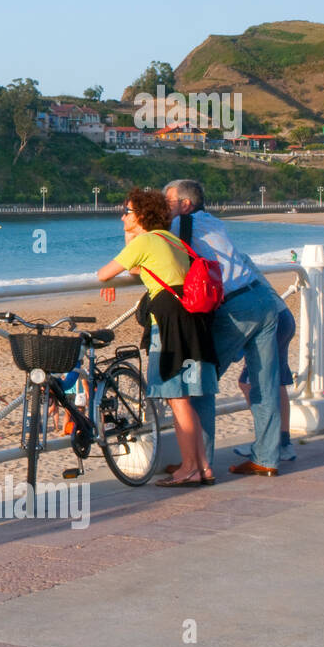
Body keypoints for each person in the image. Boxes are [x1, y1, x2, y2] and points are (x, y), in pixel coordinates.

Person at [98, 188, 217, 487]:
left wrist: (126, 247)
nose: (122, 216)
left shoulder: (146, 240)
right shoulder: (169, 238)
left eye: (127, 211)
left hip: (167, 325)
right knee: (185, 400)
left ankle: (189, 468)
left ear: (141, 216)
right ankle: (202, 466)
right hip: (192, 320)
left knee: (177, 399)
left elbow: (103, 273)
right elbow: (141, 268)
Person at [164, 179, 281, 476]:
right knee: (263, 382)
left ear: (185, 204)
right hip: (261, 297)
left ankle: (198, 463)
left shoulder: (180, 225)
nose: (165, 208)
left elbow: (151, 251)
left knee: (200, 381)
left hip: (235, 307)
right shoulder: (214, 221)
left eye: (168, 202)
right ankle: (267, 458)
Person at [236, 291, 298, 463]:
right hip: (283, 316)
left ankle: (268, 443)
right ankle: (284, 443)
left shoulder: (220, 266)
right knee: (278, 382)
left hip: (267, 321)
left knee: (248, 383)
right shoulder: (244, 267)